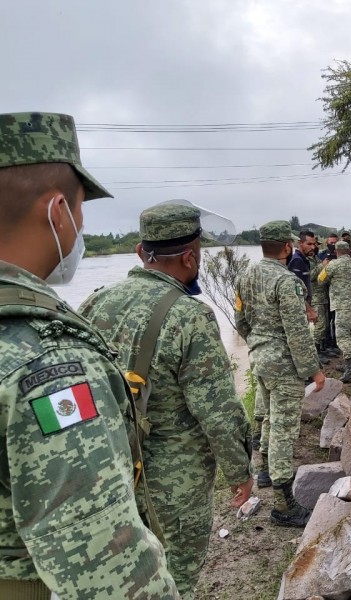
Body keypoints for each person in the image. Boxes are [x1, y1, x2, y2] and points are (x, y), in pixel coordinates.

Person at [0, 112, 178, 598]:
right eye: (81, 211)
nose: (80, 226)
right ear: (58, 211)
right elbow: (106, 568)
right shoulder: (47, 366)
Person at [80, 202, 253, 598]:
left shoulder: (94, 303)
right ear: (191, 256)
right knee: (173, 581)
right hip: (174, 488)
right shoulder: (190, 317)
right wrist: (239, 472)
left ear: (142, 253)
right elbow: (219, 412)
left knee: (123, 580)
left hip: (109, 476)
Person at [235, 220, 325, 527]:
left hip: (260, 360)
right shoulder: (286, 282)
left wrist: (259, 345)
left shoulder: (245, 275)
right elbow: (298, 331)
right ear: (287, 247)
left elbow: (240, 321)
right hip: (284, 365)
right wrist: (314, 370)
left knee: (271, 420)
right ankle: (285, 506)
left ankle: (264, 472)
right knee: (284, 429)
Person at [318, 240, 351, 382]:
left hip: (343, 305)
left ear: (336, 251)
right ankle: (349, 363)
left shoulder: (333, 265)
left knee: (342, 336)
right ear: (349, 251)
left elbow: (320, 280)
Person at [288, 229, 318, 325]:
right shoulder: (297, 261)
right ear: (300, 243)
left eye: (314, 244)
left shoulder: (304, 260)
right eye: (309, 244)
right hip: (299, 309)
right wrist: (308, 310)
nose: (313, 247)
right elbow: (295, 289)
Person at [309, 241, 332, 365]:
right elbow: (310, 276)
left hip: (323, 296)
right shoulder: (308, 261)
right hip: (315, 297)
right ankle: (315, 354)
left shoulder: (316, 258)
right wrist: (321, 266)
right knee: (319, 326)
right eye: (312, 245)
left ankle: (321, 350)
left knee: (324, 326)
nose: (314, 247)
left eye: (316, 245)